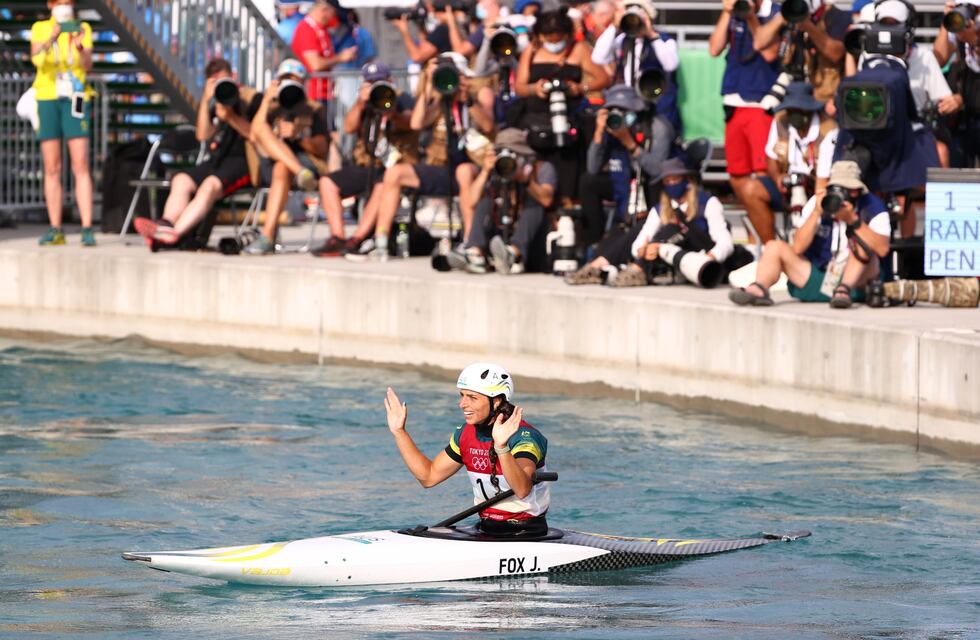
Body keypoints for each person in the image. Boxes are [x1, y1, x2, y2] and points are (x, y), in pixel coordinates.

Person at [384, 363, 551, 537]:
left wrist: (501, 447)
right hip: (485, 529)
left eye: (472, 397)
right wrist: (399, 432)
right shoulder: (465, 434)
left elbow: (523, 489)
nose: (462, 404)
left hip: (526, 533)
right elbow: (429, 477)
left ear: (496, 401)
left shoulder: (525, 436)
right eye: (462, 395)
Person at [356, 52, 493, 260]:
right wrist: (431, 86)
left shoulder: (477, 92)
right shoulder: (438, 98)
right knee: (394, 173)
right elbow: (417, 123)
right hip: (440, 167)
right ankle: (381, 240)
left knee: (464, 173)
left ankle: (470, 243)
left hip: (472, 164)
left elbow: (489, 126)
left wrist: (468, 100)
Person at [134, 58, 262, 248]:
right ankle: (166, 224)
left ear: (234, 77)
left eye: (225, 80)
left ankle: (174, 233)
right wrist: (206, 100)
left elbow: (257, 136)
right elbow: (202, 135)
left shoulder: (252, 99)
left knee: (209, 186)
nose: (222, 86)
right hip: (218, 159)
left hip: (244, 162)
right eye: (216, 82)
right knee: (181, 179)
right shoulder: (215, 102)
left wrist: (231, 118)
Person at [729, 160, 890, 308]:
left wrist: (853, 221)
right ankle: (759, 288)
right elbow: (798, 247)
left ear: (857, 191)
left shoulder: (873, 206)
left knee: (861, 246)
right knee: (774, 246)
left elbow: (882, 249)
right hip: (818, 274)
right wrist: (816, 214)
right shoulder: (818, 202)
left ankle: (843, 289)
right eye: (837, 189)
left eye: (849, 190)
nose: (842, 195)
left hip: (857, 281)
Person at [567, 158, 735, 287]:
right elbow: (643, 236)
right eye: (667, 181)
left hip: (700, 252)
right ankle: (598, 266)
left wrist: (708, 258)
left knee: (671, 228)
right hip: (671, 252)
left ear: (687, 180)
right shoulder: (661, 207)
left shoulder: (707, 202)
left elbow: (725, 242)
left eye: (675, 180)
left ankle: (636, 270)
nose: (671, 185)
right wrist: (644, 249)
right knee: (634, 228)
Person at [312, 62, 418, 257]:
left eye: (379, 82)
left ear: (390, 81)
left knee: (382, 185)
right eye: (370, 82)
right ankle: (338, 236)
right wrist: (361, 103)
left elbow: (412, 123)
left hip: (394, 166)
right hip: (366, 164)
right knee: (327, 182)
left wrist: (390, 111)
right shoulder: (364, 103)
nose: (375, 86)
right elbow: (349, 127)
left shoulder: (403, 99)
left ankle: (358, 238)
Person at [514, 7, 610, 201]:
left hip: (570, 126)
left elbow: (603, 78)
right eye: (548, 38)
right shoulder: (531, 50)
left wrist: (579, 88)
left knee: (569, 178)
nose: (553, 43)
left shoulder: (579, 48)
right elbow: (519, 87)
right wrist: (535, 89)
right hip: (537, 126)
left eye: (558, 38)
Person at [708, 0, 782, 244]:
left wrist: (751, 17)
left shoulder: (776, 13)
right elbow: (714, 48)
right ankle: (755, 239)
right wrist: (727, 11)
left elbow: (770, 53)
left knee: (762, 174)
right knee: (737, 175)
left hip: (761, 102)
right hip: (734, 101)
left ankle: (770, 243)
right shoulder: (735, 13)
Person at [243, 59, 330, 255]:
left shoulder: (314, 109)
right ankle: (299, 171)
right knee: (276, 157)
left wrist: (299, 137)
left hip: (305, 161)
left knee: (282, 168)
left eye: (295, 81)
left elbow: (323, 148)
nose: (290, 84)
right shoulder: (268, 106)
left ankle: (266, 236)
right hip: (273, 162)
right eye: (285, 80)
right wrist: (267, 99)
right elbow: (255, 132)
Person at [30, 0, 95, 246]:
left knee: (80, 163)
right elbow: (36, 59)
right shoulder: (40, 28)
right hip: (48, 96)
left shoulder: (83, 28)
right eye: (60, 2)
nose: (65, 6)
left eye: (68, 2)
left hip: (75, 97)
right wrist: (53, 37)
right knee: (52, 165)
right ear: (50, 5)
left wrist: (79, 47)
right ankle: (55, 227)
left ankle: (86, 227)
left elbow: (87, 65)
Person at [579, 84, 669, 246]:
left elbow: (658, 171)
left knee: (655, 185)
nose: (619, 115)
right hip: (621, 180)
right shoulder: (608, 128)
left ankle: (653, 236)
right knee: (588, 182)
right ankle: (594, 241)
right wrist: (599, 133)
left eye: (624, 110)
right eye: (614, 110)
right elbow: (592, 168)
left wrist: (630, 144)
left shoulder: (656, 126)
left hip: (650, 183)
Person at [458, 128, 556, 274]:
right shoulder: (493, 170)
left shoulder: (541, 168)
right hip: (498, 236)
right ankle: (475, 253)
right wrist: (485, 172)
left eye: (513, 153)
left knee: (535, 205)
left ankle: (512, 254)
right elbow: (470, 202)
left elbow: (547, 200)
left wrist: (525, 179)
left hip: (532, 241)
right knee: (485, 201)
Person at [753, 0, 851, 104]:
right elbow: (759, 43)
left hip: (823, 97)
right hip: (791, 94)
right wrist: (784, 15)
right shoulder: (787, 15)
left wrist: (808, 26)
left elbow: (836, 55)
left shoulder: (836, 16)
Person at [933, 0, 980, 169]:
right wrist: (947, 22)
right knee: (959, 166)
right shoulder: (961, 31)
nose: (967, 13)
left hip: (971, 104)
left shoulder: (971, 34)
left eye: (973, 9)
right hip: (965, 116)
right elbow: (939, 58)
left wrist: (975, 40)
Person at [291, 0, 358, 105]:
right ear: (324, 10)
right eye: (334, 13)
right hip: (312, 95)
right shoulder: (306, 29)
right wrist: (341, 57)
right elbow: (315, 65)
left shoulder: (321, 29)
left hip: (323, 93)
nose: (334, 17)